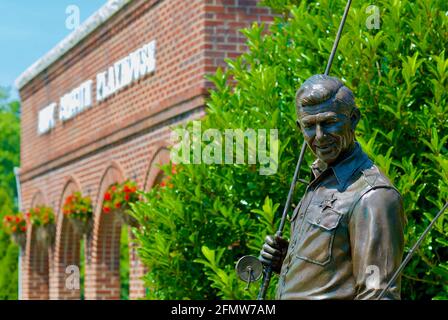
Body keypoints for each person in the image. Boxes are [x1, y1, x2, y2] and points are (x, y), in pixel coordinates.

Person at [260, 74, 406, 299]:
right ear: (300, 127)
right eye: (310, 126)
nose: (319, 137)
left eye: (329, 123)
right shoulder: (320, 180)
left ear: (353, 118)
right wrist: (288, 260)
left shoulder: (373, 197)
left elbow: (377, 294)